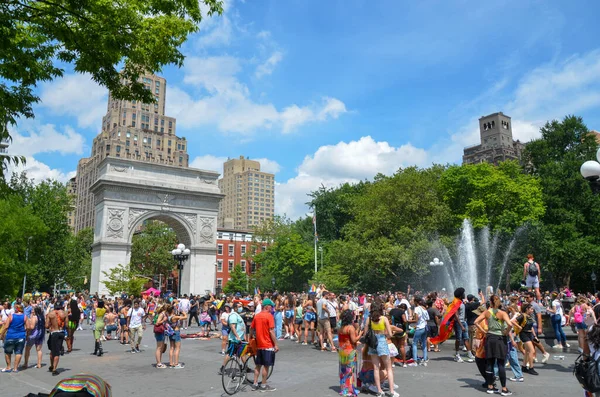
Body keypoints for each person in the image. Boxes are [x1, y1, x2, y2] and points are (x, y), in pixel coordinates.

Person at [474, 295, 515, 396]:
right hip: (500, 339)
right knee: (501, 363)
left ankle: (490, 386)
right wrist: (506, 332)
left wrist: (484, 331)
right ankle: (504, 388)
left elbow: (476, 322)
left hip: (489, 338)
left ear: (490, 303)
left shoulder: (487, 312)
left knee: (490, 363)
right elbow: (510, 324)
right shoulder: (503, 313)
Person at [366, 301, 398, 397]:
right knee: (388, 367)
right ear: (381, 309)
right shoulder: (384, 319)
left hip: (372, 343)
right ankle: (392, 391)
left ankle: (379, 390)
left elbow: (365, 333)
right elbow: (390, 334)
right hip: (382, 341)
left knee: (376, 367)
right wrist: (386, 334)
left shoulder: (369, 319)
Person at [250, 298, 279, 392]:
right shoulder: (269, 316)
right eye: (271, 306)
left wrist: (252, 336)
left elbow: (251, 328)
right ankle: (263, 384)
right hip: (267, 344)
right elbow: (271, 331)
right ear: (267, 306)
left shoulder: (257, 316)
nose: (272, 308)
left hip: (259, 345)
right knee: (266, 366)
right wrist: (276, 344)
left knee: (258, 365)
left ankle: (254, 383)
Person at [338, 309, 363, 397]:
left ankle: (343, 389)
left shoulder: (340, 327)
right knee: (350, 371)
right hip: (350, 351)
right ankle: (349, 390)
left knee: (343, 370)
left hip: (342, 351)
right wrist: (360, 335)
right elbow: (354, 340)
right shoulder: (350, 328)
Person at [218, 301, 246, 375]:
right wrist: (237, 336)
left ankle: (246, 367)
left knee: (242, 353)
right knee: (230, 354)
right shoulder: (233, 315)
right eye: (239, 306)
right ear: (235, 307)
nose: (241, 308)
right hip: (235, 339)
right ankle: (222, 368)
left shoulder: (236, 314)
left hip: (240, 337)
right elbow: (232, 327)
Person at [0, 303, 26, 372]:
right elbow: (29, 327)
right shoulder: (24, 316)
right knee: (18, 352)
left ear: (16, 309)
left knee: (8, 352)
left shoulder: (11, 316)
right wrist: (25, 332)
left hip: (10, 336)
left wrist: (1, 334)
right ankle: (15, 368)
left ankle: (8, 367)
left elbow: (6, 327)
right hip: (21, 336)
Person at [515, 303, 538, 375]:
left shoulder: (529, 316)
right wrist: (519, 327)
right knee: (532, 350)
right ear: (527, 309)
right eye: (531, 309)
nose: (532, 310)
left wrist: (534, 336)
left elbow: (531, 327)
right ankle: (531, 367)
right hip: (523, 334)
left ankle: (524, 367)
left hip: (529, 334)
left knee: (527, 351)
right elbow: (513, 321)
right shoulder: (522, 315)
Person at [47, 302, 67, 376]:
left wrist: (51, 324)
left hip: (53, 333)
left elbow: (46, 325)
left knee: (52, 350)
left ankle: (52, 366)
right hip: (61, 333)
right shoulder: (64, 314)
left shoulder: (50, 314)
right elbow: (67, 325)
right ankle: (54, 368)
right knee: (57, 351)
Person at [409, 297, 429, 367]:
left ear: (415, 302)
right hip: (425, 327)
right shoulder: (424, 308)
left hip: (419, 327)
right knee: (424, 343)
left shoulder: (417, 309)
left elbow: (416, 320)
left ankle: (415, 361)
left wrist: (408, 321)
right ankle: (425, 359)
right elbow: (427, 319)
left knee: (414, 343)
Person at [166, 304, 187, 368]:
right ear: (172, 310)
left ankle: (171, 362)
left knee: (172, 347)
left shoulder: (168, 316)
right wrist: (183, 312)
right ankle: (176, 363)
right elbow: (185, 317)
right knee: (177, 348)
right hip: (176, 331)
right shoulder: (174, 317)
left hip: (171, 332)